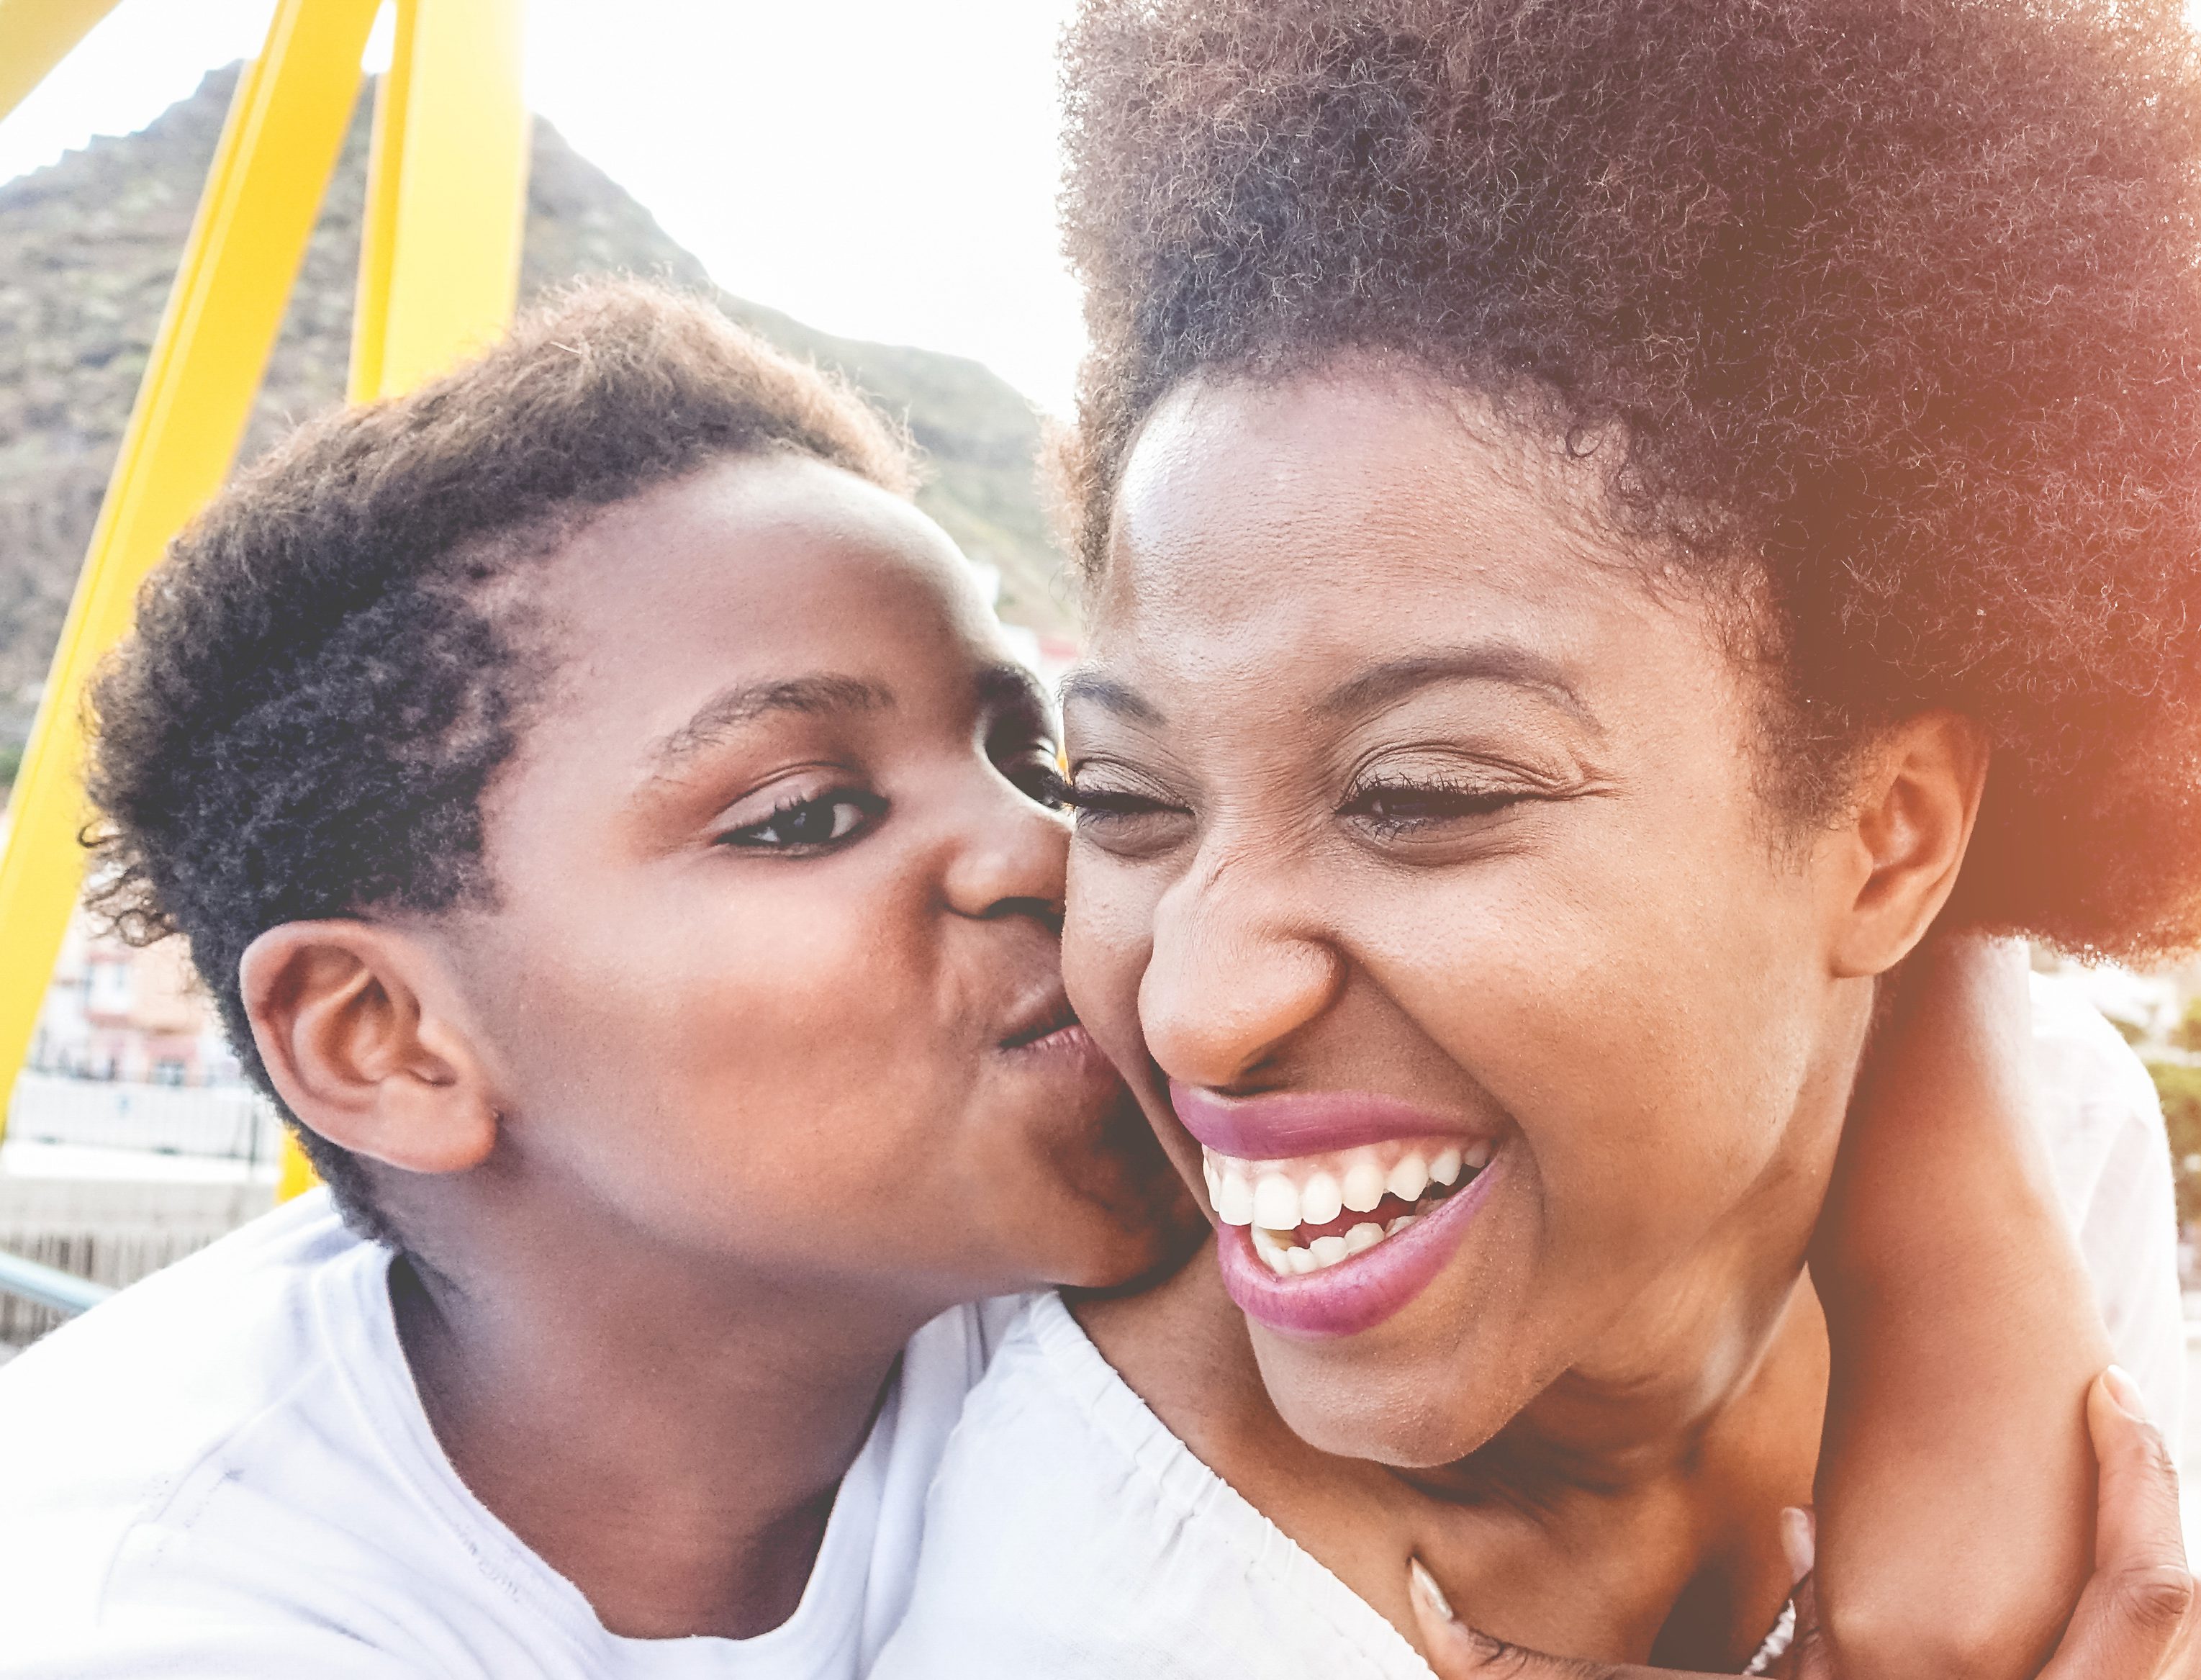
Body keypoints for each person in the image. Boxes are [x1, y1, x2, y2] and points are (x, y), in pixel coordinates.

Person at [872, 0, 2201, 1673]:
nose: (1196, 1010)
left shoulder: (2055, 1148)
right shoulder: (1104, 1605)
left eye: (1420, 796)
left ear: (1888, 843)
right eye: (1124, 801)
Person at [0, 281, 1198, 1678]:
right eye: (806, 815)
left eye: (1037, 762)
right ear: (388, 1043)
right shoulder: (157, 1610)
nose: (1042, 850)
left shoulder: (1131, 1276)